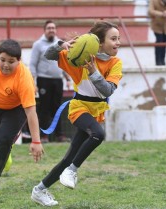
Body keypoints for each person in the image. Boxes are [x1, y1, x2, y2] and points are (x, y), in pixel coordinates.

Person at [31, 21, 123, 206]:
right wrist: (60, 45)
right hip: (79, 107)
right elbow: (49, 55)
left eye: (118, 38)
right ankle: (73, 170)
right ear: (99, 42)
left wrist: (93, 71)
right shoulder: (78, 58)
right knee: (98, 134)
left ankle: (40, 190)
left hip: (96, 111)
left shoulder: (115, 63)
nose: (118, 42)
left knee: (67, 158)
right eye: (113, 39)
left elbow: (107, 91)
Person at [0, 39, 44, 196]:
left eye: (11, 61)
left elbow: (31, 112)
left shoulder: (24, 79)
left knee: (4, 139)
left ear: (19, 61)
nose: (5, 65)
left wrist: (36, 141)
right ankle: (5, 154)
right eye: (3, 60)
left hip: (15, 109)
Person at [30, 20, 71, 143]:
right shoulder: (38, 44)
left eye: (53, 28)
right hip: (44, 80)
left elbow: (63, 63)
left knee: (57, 108)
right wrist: (33, 82)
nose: (51, 30)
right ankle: (43, 136)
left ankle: (60, 135)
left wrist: (67, 77)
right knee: (44, 108)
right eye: (49, 28)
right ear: (45, 30)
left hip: (58, 80)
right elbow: (32, 64)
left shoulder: (60, 44)